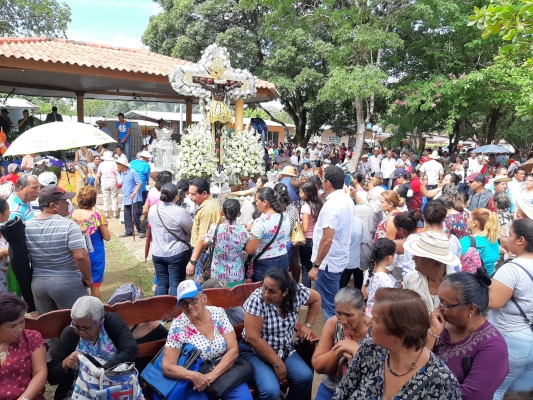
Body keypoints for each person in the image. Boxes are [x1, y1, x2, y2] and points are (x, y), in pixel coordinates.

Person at [333, 288, 462, 400]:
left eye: (376, 320)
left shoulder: (442, 383)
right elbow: (340, 395)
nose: (369, 323)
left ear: (400, 335)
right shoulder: (369, 350)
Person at [162, 281, 252, 400]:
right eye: (184, 303)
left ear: (204, 298)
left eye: (193, 300)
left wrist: (211, 376)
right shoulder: (178, 325)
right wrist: (193, 376)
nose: (189, 306)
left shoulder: (218, 313)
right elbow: (167, 366)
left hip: (225, 370)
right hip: (195, 378)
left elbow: (233, 350)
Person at [240, 268, 321, 400]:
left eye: (272, 291)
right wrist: (277, 363)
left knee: (305, 378)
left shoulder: (296, 293)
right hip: (253, 351)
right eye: (264, 287)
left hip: (284, 349)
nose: (266, 293)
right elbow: (252, 338)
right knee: (270, 391)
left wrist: (308, 325)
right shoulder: (256, 300)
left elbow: (316, 299)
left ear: (285, 292)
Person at [427, 270, 509, 400]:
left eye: (446, 304)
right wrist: (432, 334)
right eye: (439, 301)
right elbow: (412, 361)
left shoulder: (493, 346)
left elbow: (472, 395)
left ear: (471, 308)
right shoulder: (438, 325)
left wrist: (419, 386)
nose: (439, 308)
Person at [48, 296, 138, 400]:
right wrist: (65, 364)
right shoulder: (70, 333)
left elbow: (131, 350)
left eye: (86, 328)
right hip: (80, 392)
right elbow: (52, 378)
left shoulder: (111, 322)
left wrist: (99, 372)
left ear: (100, 319)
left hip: (115, 387)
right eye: (76, 326)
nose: (81, 332)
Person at [26, 185, 92, 315]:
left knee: (50, 327)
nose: (68, 204)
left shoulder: (27, 226)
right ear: (53, 206)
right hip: (67, 281)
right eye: (64, 201)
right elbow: (80, 256)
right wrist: (88, 277)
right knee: (79, 323)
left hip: (38, 284)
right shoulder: (69, 225)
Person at [488, 218, 533, 398]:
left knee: (495, 390)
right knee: (520, 394)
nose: (506, 238)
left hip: (511, 339)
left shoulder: (512, 269)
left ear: (521, 240)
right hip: (530, 338)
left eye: (510, 235)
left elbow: (494, 302)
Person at [308, 166, 355, 319]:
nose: (321, 182)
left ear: (327, 183)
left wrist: (316, 266)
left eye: (322, 179)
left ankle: (334, 336)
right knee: (333, 301)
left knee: (330, 305)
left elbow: (327, 239)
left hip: (327, 263)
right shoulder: (347, 199)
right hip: (337, 259)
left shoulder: (332, 205)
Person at [312, 288, 370, 400]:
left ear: (363, 310)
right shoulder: (333, 323)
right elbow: (318, 366)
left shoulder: (374, 331)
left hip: (361, 393)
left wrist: (357, 352)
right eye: (338, 313)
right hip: (331, 388)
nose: (343, 320)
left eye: (348, 315)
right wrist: (340, 348)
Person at [188, 199, 251, 287]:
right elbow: (248, 247)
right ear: (239, 214)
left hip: (217, 274)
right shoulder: (243, 231)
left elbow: (205, 243)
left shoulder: (215, 228)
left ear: (222, 213)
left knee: (218, 298)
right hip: (236, 274)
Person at [148, 183, 193, 296]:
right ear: (176, 196)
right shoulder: (180, 212)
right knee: (176, 284)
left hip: (158, 252)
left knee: (162, 284)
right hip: (176, 253)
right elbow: (190, 230)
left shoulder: (153, 209)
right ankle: (175, 311)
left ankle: (159, 310)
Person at [0, 294, 47, 400]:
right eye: (12, 326)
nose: (19, 329)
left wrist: (24, 399)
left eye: (22, 322)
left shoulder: (32, 338)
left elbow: (40, 373)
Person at [403, 231, 460, 312]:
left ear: (436, 264)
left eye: (419, 257)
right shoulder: (411, 280)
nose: (413, 258)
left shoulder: (457, 285)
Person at [71, 187, 110, 300]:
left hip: (76, 252)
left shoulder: (70, 215)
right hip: (95, 254)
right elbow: (107, 237)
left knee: (78, 284)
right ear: (94, 201)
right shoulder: (96, 216)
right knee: (95, 285)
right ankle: (97, 311)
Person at [245, 187, 290, 282]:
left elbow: (250, 250)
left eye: (257, 201)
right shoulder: (284, 216)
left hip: (265, 264)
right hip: (283, 258)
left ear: (265, 202)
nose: (256, 203)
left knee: (266, 293)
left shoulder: (260, 222)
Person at [459, 208, 500, 276]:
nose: (467, 220)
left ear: (474, 223)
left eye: (469, 217)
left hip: (470, 282)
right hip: (488, 281)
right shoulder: (494, 241)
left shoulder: (466, 241)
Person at [362, 238, 396, 316]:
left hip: (368, 313)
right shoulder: (386, 280)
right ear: (389, 258)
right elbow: (387, 304)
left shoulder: (369, 271)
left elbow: (364, 294)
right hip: (379, 316)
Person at [299, 181, 323, 288]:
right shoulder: (320, 204)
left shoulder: (306, 208)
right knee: (317, 267)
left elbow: (305, 228)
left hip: (307, 240)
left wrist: (298, 224)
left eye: (301, 192)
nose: (300, 194)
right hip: (317, 239)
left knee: (306, 268)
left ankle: (307, 294)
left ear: (307, 194)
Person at [189, 177, 221, 247]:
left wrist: (194, 257)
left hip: (201, 251)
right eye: (190, 193)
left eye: (193, 194)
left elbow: (203, 240)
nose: (190, 197)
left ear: (204, 194)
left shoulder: (207, 210)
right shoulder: (205, 204)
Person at [115, 157, 142, 238]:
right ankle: (129, 230)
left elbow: (139, 183)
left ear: (122, 165)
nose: (117, 167)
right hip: (126, 196)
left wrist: (134, 192)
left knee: (136, 214)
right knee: (127, 214)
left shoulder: (132, 172)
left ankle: (141, 230)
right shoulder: (122, 173)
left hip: (134, 197)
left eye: (118, 165)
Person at [95, 151, 120, 219]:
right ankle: (115, 212)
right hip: (113, 182)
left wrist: (96, 183)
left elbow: (98, 175)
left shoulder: (101, 164)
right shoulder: (114, 163)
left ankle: (106, 213)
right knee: (114, 197)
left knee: (106, 198)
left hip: (104, 183)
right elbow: (117, 174)